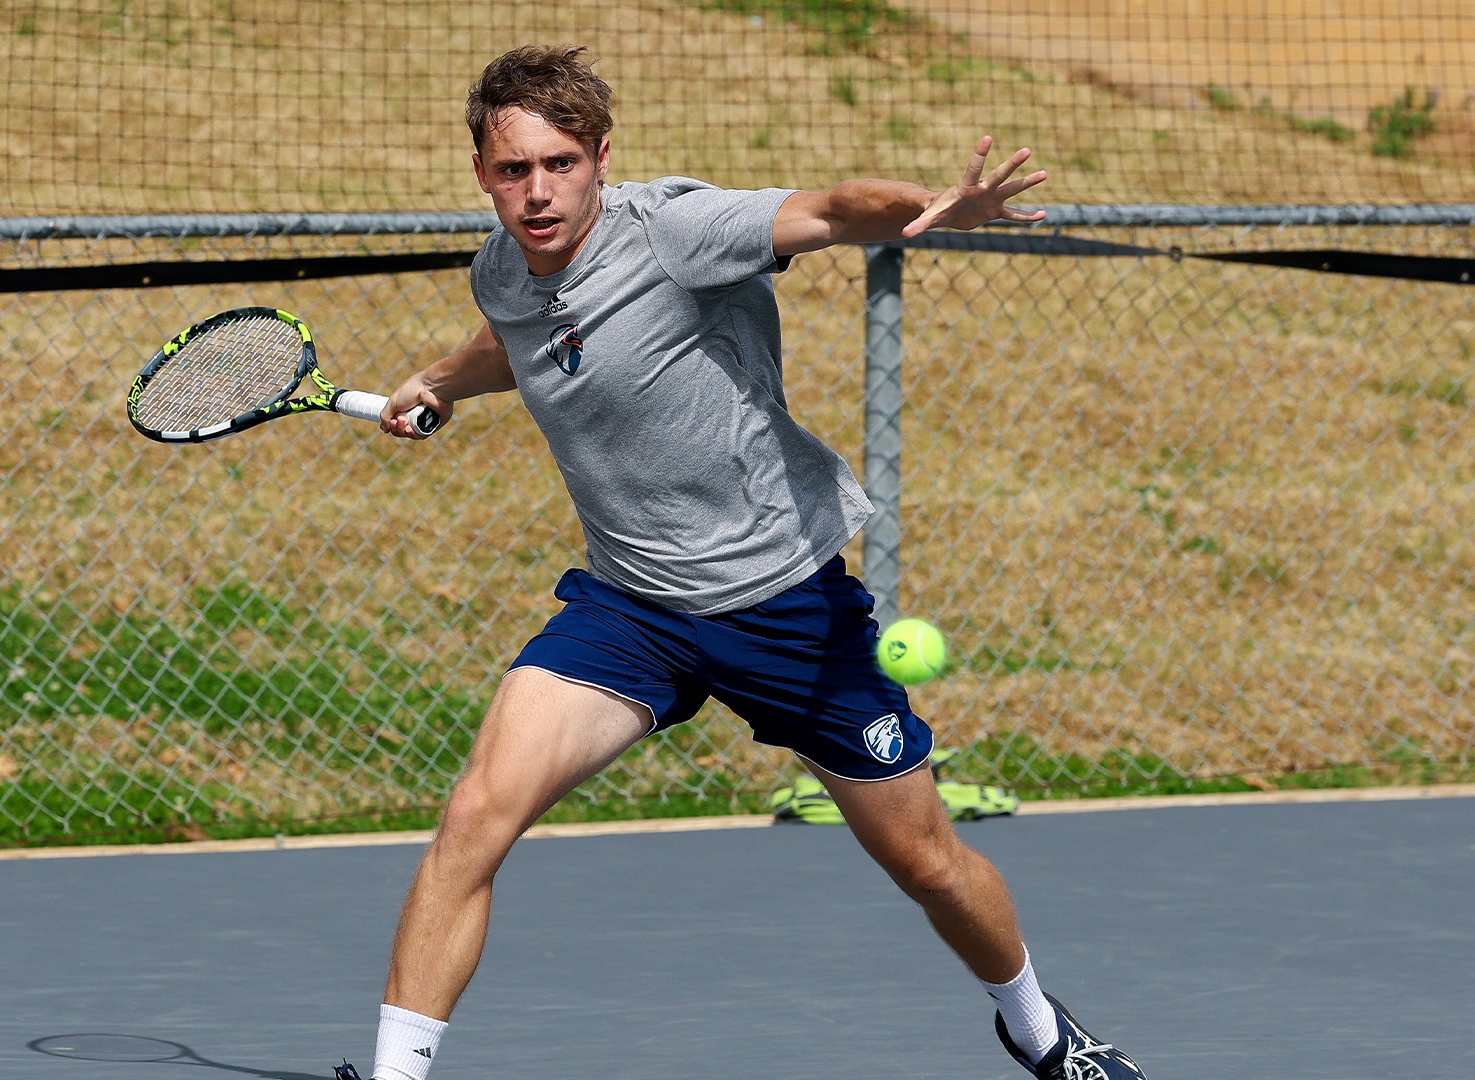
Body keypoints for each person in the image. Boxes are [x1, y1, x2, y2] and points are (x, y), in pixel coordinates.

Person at [365, 44, 1146, 1080]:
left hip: (783, 606)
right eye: (514, 170)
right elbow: (517, 341)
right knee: (474, 817)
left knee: (928, 865)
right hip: (631, 610)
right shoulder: (503, 268)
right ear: (482, 174)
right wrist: (439, 380)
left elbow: (832, 209)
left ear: (601, 159)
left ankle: (1040, 1030)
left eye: (560, 164)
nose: (538, 192)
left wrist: (929, 206)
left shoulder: (676, 232)